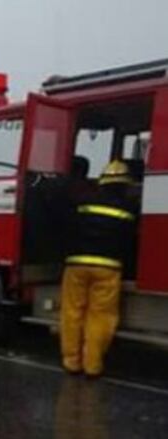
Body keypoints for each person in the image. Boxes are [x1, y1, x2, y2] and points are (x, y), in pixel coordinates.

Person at [60, 159, 139, 378]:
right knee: (101, 316)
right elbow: (130, 242)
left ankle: (71, 363)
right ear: (125, 186)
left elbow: (68, 228)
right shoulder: (128, 209)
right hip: (108, 268)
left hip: (76, 265)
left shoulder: (84, 202)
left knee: (72, 313)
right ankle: (92, 366)